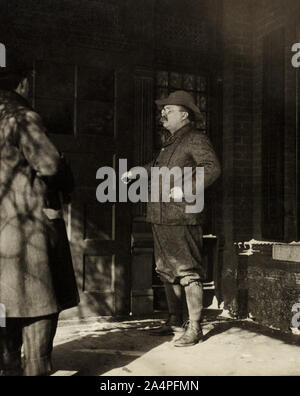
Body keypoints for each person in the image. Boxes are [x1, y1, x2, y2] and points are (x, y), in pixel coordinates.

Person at [0, 56, 79, 375]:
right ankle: (36, 369)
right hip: (26, 228)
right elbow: (48, 164)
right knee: (38, 301)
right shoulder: (22, 116)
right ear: (21, 83)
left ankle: (8, 367)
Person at [123, 90, 221, 346]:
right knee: (166, 270)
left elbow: (212, 168)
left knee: (187, 272)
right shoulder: (171, 141)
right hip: (161, 215)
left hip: (182, 216)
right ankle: (175, 319)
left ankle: (196, 327)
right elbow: (158, 168)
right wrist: (137, 171)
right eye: (163, 109)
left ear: (184, 114)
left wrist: (187, 189)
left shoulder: (195, 138)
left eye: (169, 109)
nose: (163, 113)